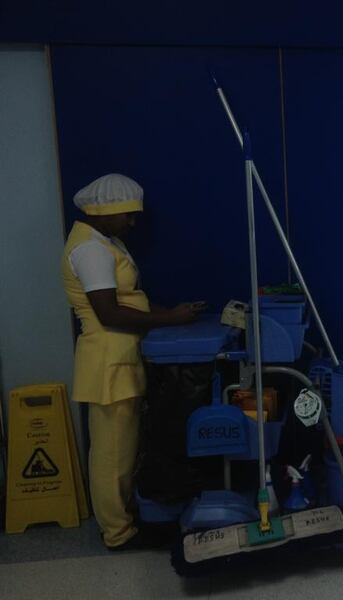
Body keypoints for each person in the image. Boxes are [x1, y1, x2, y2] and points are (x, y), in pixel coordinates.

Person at [61, 173, 205, 550]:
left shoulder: (106, 241)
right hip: (107, 360)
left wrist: (172, 314)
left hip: (120, 357)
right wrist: (169, 319)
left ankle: (127, 521)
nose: (133, 222)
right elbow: (109, 313)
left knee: (124, 450)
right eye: (127, 215)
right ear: (104, 211)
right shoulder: (90, 250)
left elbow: (130, 299)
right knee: (112, 454)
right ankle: (117, 534)